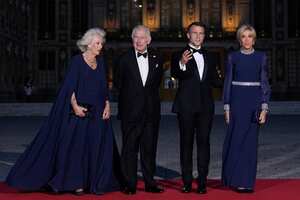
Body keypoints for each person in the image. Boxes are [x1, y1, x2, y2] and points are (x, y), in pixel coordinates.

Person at [6, 28, 121, 195]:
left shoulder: (101, 62)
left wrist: (107, 105)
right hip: (80, 112)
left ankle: (93, 181)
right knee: (78, 150)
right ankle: (77, 183)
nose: (100, 46)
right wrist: (74, 106)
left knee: (96, 148)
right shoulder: (77, 61)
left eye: (101, 43)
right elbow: (69, 87)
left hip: (98, 114)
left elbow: (103, 87)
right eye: (97, 43)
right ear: (88, 44)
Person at [171, 22, 222, 194]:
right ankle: (186, 182)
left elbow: (216, 81)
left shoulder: (211, 56)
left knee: (204, 144)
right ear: (188, 35)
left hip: (206, 107)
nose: (198, 36)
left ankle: (202, 182)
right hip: (185, 106)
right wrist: (182, 63)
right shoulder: (178, 54)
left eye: (201, 33)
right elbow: (177, 74)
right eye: (195, 33)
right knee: (186, 145)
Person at [115, 25, 164, 195]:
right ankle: (130, 184)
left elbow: (156, 84)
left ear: (148, 40)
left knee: (149, 149)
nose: (139, 40)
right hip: (130, 112)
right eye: (135, 37)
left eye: (142, 37)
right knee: (129, 149)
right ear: (132, 39)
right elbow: (118, 85)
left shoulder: (158, 58)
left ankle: (150, 183)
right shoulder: (123, 59)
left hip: (151, 113)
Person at [222, 24, 271, 193]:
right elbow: (227, 82)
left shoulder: (261, 57)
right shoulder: (232, 57)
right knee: (235, 142)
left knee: (250, 144)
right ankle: (232, 178)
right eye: (244, 36)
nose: (247, 39)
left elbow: (264, 82)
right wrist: (227, 108)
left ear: (254, 39)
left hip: (253, 103)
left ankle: (246, 182)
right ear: (239, 39)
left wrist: (264, 108)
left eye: (250, 36)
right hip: (236, 102)